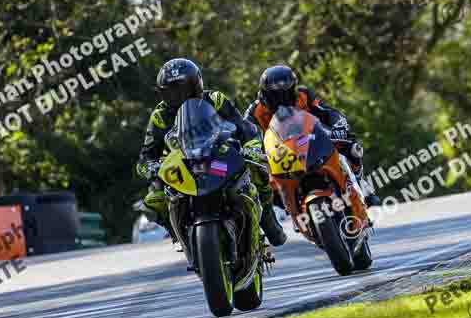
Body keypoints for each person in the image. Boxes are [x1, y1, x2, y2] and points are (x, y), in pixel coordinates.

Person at [136, 58, 287, 250]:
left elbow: (243, 126)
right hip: (182, 166)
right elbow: (147, 154)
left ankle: (268, 220)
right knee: (153, 202)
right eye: (172, 92)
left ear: (197, 85)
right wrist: (148, 166)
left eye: (184, 89)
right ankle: (179, 236)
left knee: (257, 171)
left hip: (217, 158)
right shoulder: (159, 116)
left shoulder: (214, 99)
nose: (179, 96)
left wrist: (252, 145)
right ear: (163, 93)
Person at [246, 65, 381, 207]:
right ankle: (286, 211)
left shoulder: (303, 94)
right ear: (265, 94)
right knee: (258, 180)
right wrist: (250, 148)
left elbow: (328, 111)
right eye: (276, 95)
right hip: (279, 153)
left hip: (312, 138)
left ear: (293, 89)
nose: (282, 99)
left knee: (351, 146)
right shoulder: (255, 111)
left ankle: (363, 187)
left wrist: (338, 125)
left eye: (287, 93)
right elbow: (245, 133)